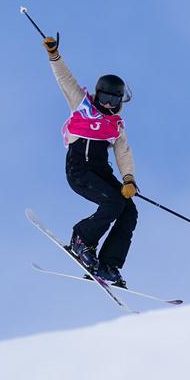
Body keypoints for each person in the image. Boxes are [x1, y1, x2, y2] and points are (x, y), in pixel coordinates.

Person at [41, 35, 137, 287]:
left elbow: (123, 152)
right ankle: (82, 240)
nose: (107, 104)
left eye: (114, 100)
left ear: (120, 101)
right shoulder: (82, 105)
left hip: (101, 172)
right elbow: (65, 79)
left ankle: (108, 264)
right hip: (80, 171)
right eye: (104, 97)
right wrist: (54, 55)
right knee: (114, 202)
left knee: (128, 208)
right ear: (97, 93)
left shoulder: (115, 124)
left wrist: (128, 179)